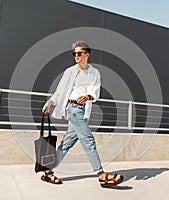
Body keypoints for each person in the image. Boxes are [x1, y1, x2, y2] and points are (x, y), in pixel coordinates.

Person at [41, 40, 123, 187]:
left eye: (79, 53)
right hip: (73, 109)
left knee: (67, 143)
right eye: (74, 54)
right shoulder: (70, 71)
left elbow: (95, 89)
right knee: (88, 140)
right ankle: (101, 175)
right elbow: (60, 90)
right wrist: (50, 102)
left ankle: (48, 171)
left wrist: (89, 96)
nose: (76, 56)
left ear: (87, 54)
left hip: (83, 109)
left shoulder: (94, 72)